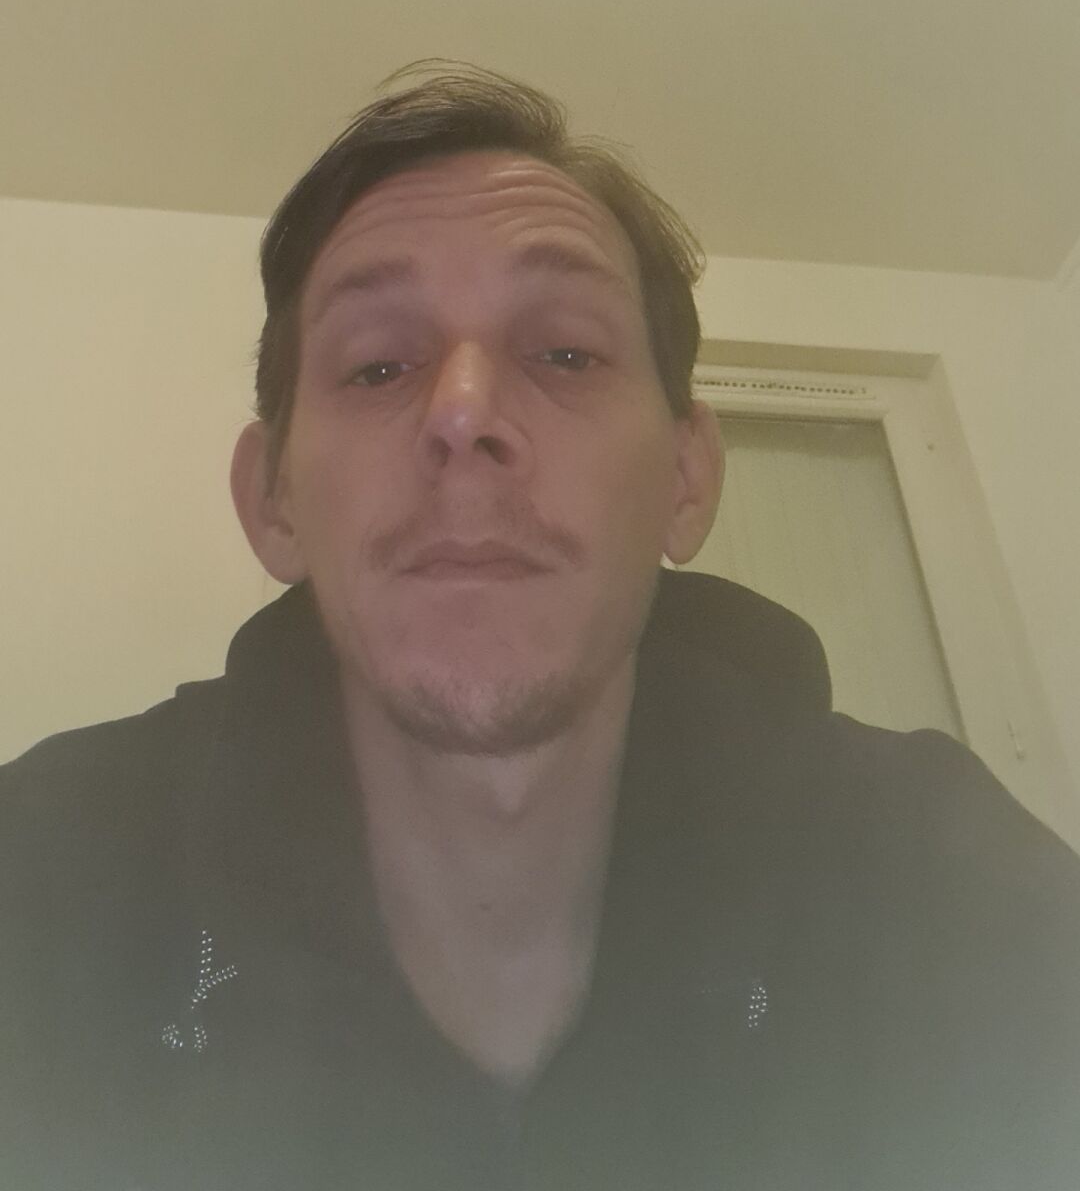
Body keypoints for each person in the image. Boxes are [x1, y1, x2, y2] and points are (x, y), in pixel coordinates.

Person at [3, 60, 1079, 1191]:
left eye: (566, 354)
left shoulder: (940, 881)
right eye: (378, 364)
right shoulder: (44, 881)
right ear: (272, 499)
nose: (464, 413)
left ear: (687, 476)